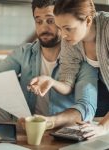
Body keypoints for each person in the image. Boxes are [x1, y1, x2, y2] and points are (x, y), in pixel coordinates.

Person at [0, 0, 97, 127]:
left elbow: (87, 108)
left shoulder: (83, 58)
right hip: (25, 132)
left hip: (60, 134)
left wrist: (51, 122)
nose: (43, 28)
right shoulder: (24, 52)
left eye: (50, 21)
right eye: (38, 21)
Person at [49, 0, 109, 138]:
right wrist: (51, 82)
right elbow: (67, 83)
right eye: (60, 28)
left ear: (88, 20)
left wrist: (103, 127)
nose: (63, 35)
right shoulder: (71, 41)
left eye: (68, 28)